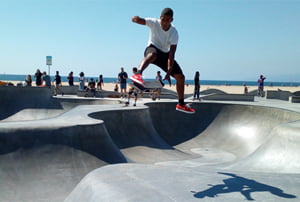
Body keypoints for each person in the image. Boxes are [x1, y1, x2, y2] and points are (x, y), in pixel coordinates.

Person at [130, 8, 195, 113]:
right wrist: (136, 19)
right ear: (160, 18)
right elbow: (141, 20)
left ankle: (181, 104)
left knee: (180, 77)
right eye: (163, 20)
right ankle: (138, 74)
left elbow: (171, 54)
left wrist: (169, 71)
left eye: (167, 20)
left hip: (165, 55)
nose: (164, 23)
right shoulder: (154, 22)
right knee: (153, 54)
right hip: (152, 48)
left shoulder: (174, 33)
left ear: (171, 20)